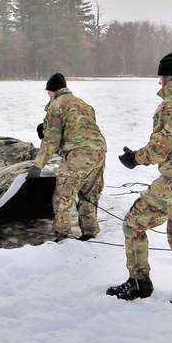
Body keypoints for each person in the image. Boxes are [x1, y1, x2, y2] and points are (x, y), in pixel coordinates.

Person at [107, 52, 172, 313]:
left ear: (164, 77)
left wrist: (134, 158)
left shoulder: (171, 103)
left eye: (160, 78)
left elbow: (159, 149)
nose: (159, 83)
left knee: (133, 223)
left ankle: (138, 282)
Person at [25, 73, 107, 242]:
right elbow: (81, 129)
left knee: (63, 196)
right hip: (99, 152)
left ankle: (63, 236)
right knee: (89, 195)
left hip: (78, 154)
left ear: (51, 91)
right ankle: (90, 232)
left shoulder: (56, 106)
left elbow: (52, 141)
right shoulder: (84, 104)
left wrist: (37, 166)